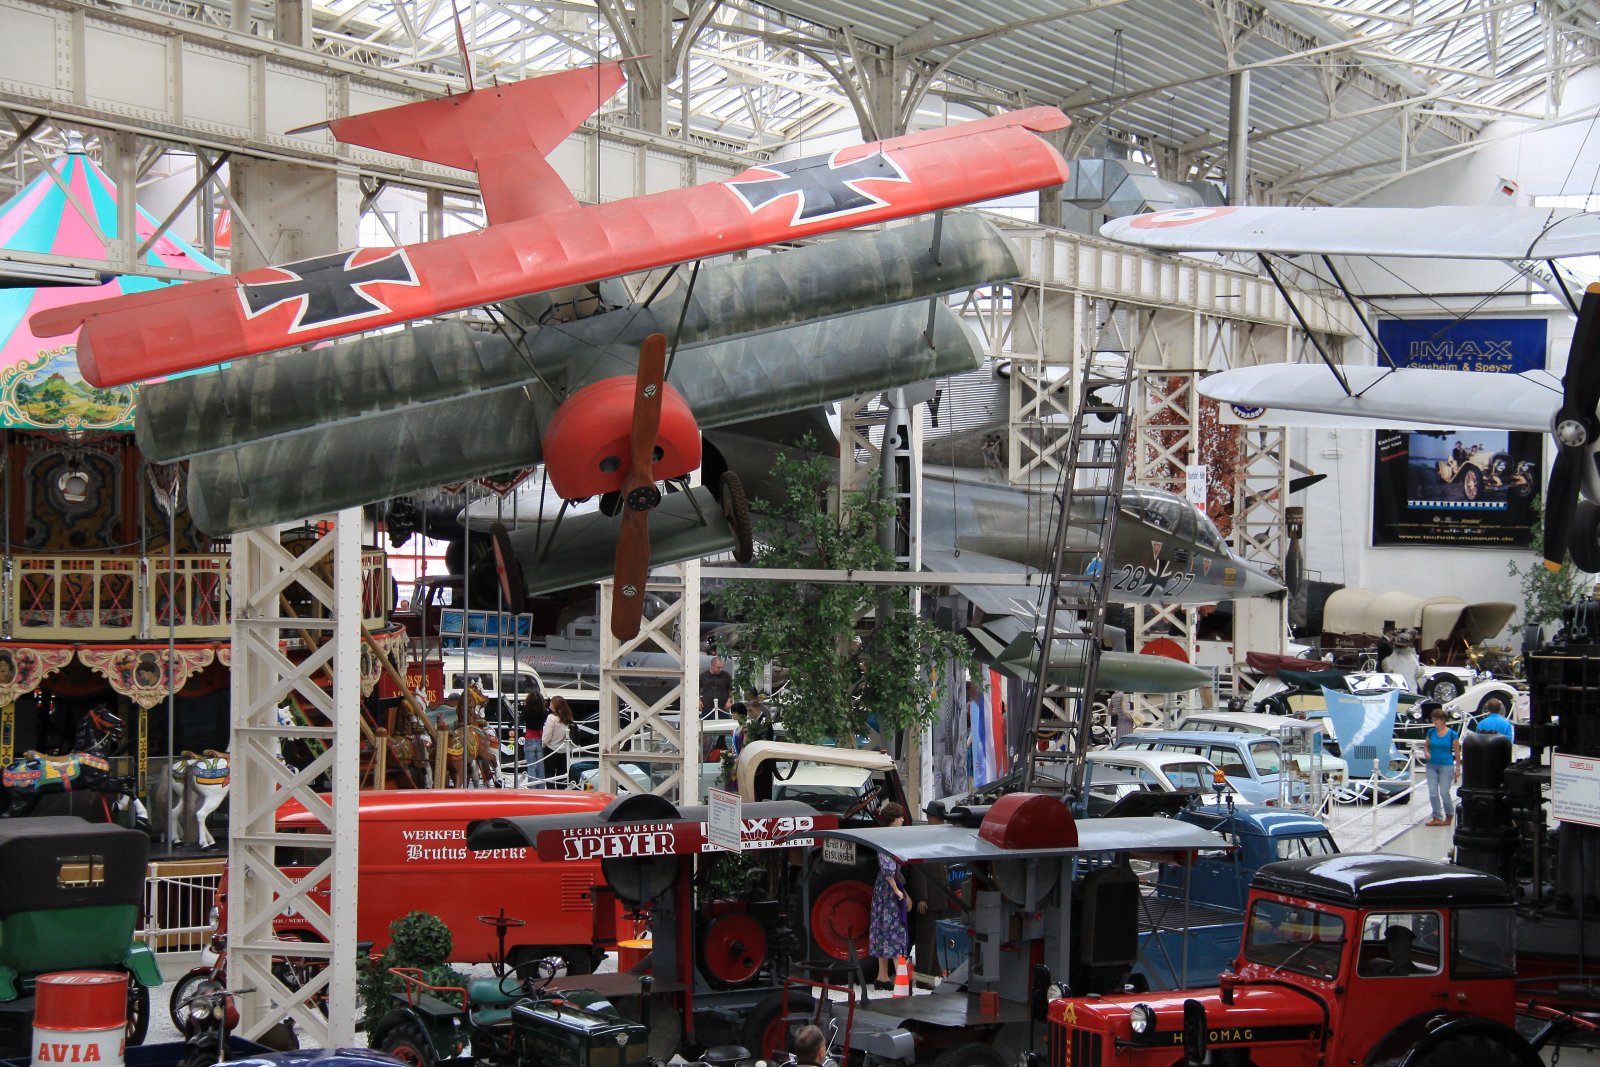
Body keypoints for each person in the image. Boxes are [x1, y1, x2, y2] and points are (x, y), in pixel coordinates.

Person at [870, 801, 910, 989]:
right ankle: (901, 977)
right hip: (888, 889)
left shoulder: (886, 837)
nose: (902, 820)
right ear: (893, 820)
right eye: (900, 817)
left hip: (883, 888)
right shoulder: (887, 839)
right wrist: (897, 890)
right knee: (894, 929)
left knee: (883, 928)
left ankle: (882, 976)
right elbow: (888, 869)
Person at [1423, 706, 1461, 827]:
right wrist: (1426, 752)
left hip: (1446, 766)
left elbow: (1457, 752)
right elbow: (1426, 745)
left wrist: (1458, 768)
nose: (1434, 722)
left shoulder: (1452, 734)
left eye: (1436, 720)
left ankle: (1449, 813)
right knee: (1433, 792)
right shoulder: (1431, 732)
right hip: (1431, 765)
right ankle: (1437, 816)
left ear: (1442, 720)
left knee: (1444, 792)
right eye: (1433, 719)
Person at [542, 696, 574, 785]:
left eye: (551, 702)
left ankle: (551, 790)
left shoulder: (551, 717)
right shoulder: (568, 718)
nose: (550, 703)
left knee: (549, 773)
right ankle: (561, 790)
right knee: (562, 773)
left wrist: (543, 744)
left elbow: (547, 735)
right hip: (564, 749)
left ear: (556, 705)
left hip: (551, 748)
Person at [520, 689, 547, 777]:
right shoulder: (544, 711)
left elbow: (519, 721)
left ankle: (532, 785)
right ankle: (541, 785)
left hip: (529, 739)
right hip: (541, 739)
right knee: (541, 766)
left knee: (531, 766)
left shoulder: (526, 711)